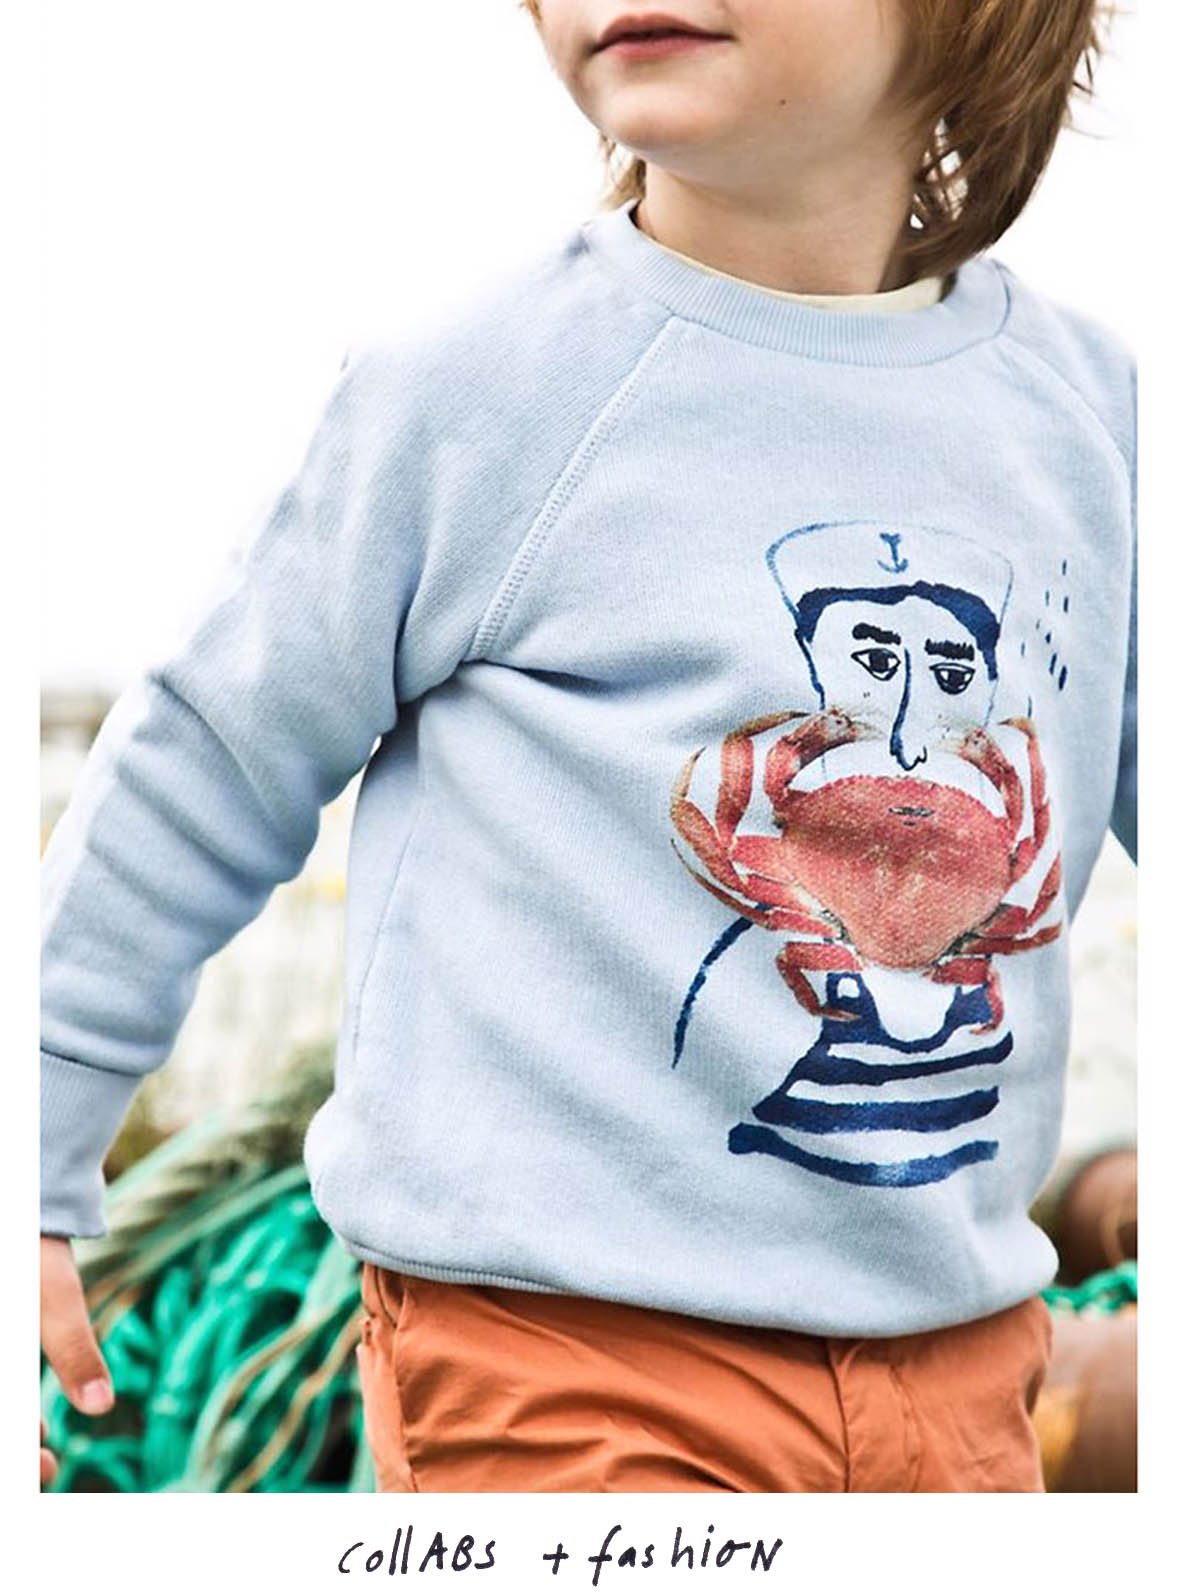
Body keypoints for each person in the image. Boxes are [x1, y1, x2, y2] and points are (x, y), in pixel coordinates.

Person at [40, 0, 1136, 1492]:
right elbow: (201, 769)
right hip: (559, 1355)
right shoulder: (482, 388)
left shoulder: (1094, 419)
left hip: (963, 1358)